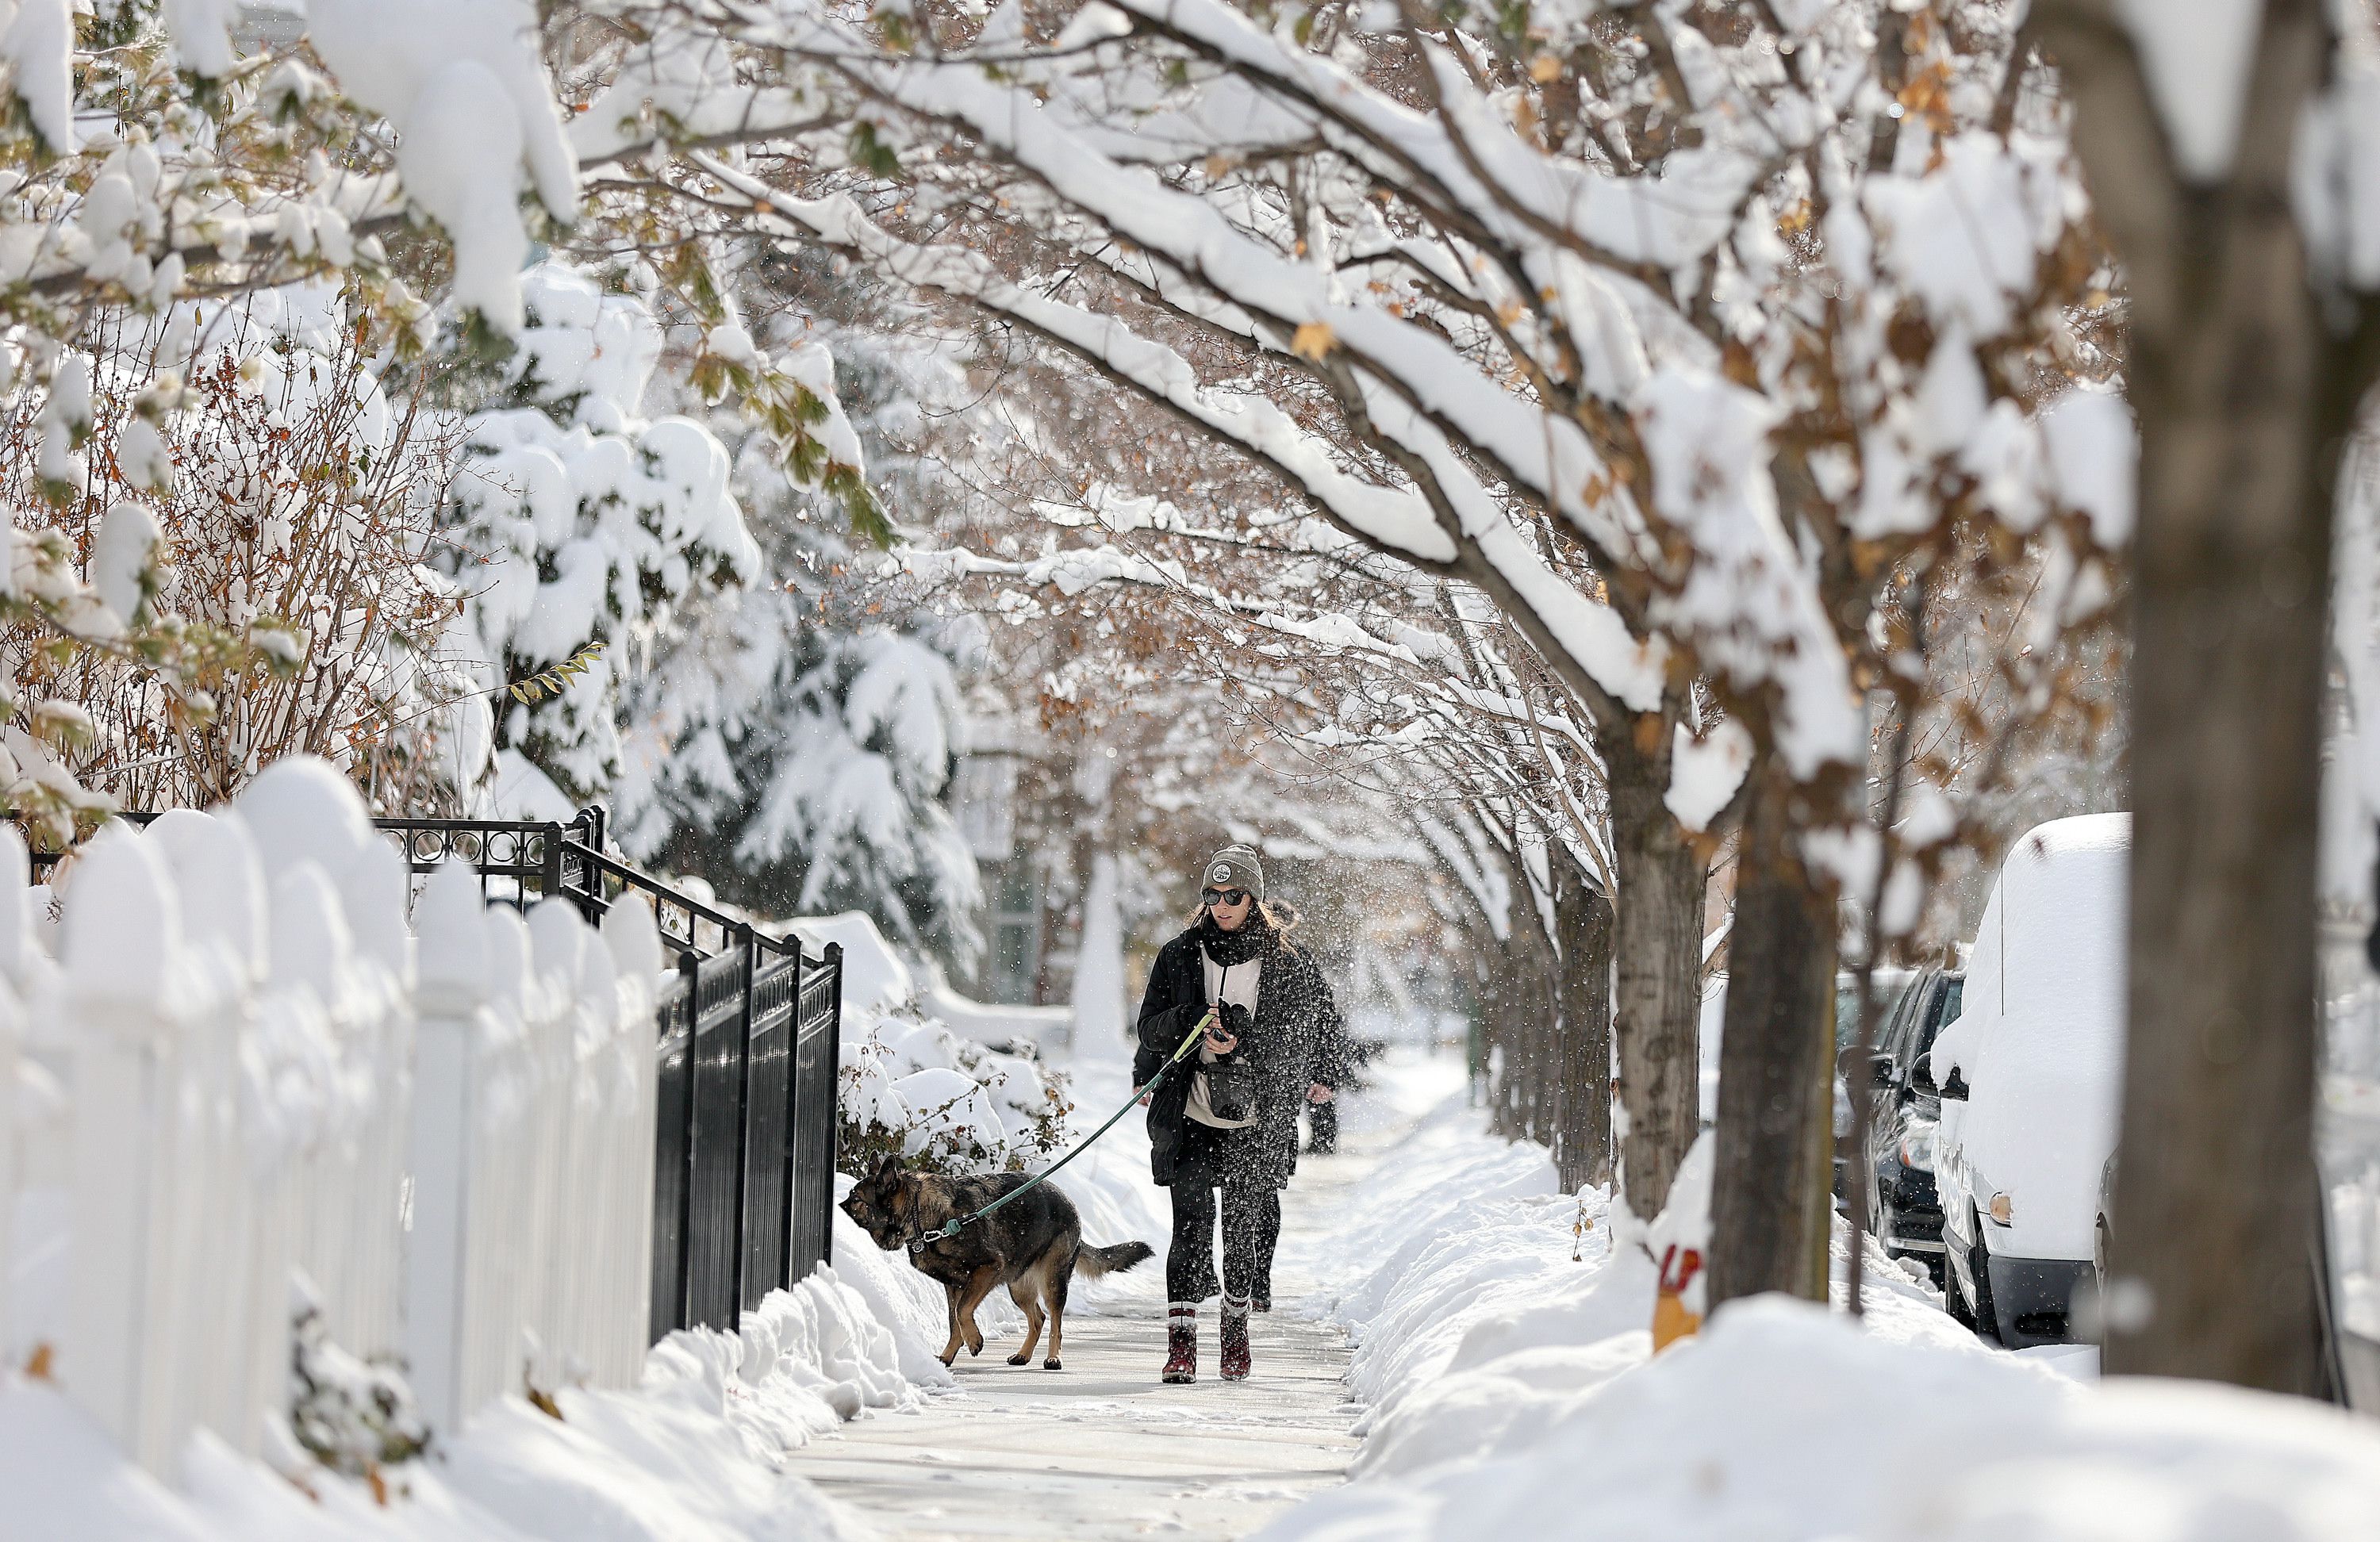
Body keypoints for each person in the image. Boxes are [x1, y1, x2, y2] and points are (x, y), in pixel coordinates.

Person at [1133, 844, 1345, 1383]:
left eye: (1234, 895)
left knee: (1243, 1230)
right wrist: (1189, 1021)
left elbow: (1300, 1036)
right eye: (1213, 894)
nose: (1222, 904)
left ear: (1255, 899)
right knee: (1189, 1227)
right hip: (1191, 1110)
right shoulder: (1179, 954)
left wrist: (1241, 1041)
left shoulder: (1286, 963)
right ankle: (1181, 1347)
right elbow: (1149, 1027)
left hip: (1258, 1116)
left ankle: (1235, 1333)